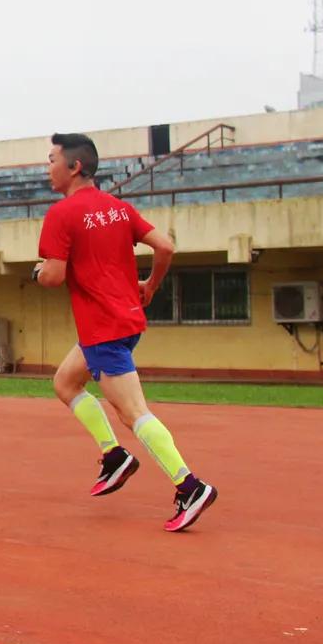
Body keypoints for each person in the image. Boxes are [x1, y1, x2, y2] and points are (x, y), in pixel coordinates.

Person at [34, 132, 218, 532]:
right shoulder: (118, 208)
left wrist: (39, 271)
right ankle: (114, 455)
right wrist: (150, 286)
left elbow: (52, 277)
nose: (47, 167)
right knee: (66, 382)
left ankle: (189, 485)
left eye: (51, 159)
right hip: (126, 321)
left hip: (102, 328)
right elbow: (165, 247)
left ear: (74, 166)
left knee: (133, 412)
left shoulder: (62, 214)